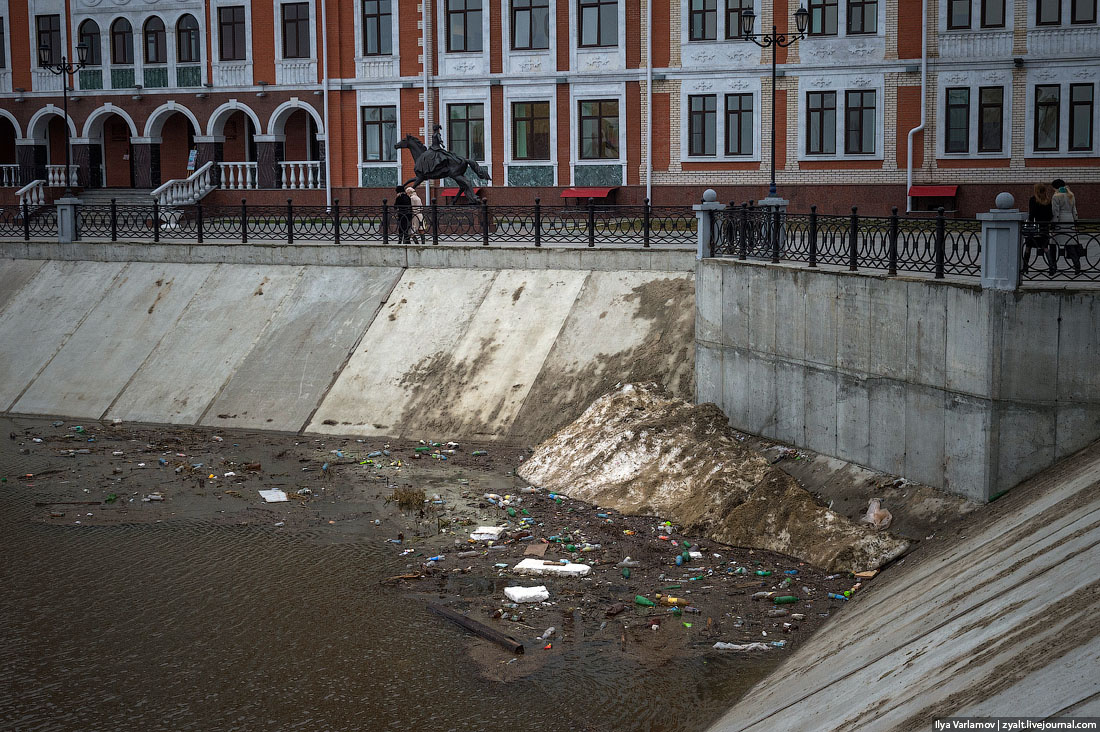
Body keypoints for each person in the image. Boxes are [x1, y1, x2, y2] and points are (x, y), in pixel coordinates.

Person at [1051, 179, 1082, 274]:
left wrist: (1054, 225)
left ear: (1055, 187)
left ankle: (1053, 266)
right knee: (1070, 243)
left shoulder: (1056, 196)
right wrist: (1075, 222)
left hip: (1060, 221)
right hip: (1070, 220)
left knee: (1052, 244)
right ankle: (1077, 265)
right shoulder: (1071, 195)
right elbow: (1074, 210)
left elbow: (1055, 212)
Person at [1024, 183, 1054, 274]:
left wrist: (1029, 222)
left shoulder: (1033, 200)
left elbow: (1032, 214)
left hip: (1034, 227)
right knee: (1045, 247)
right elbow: (1050, 215)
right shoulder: (1048, 200)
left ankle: (1025, 267)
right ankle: (1051, 267)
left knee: (1028, 247)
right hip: (1044, 227)